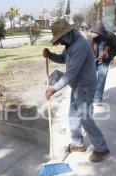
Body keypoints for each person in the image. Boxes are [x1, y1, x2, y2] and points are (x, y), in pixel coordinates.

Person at [43, 19, 110, 162]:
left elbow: (70, 73)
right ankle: (78, 143)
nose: (60, 42)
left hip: (85, 86)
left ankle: (101, 148)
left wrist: (53, 89)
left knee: (85, 118)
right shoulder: (70, 43)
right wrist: (51, 55)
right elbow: (64, 59)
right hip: (77, 85)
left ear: (67, 34)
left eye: (60, 39)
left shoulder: (79, 45)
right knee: (73, 114)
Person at [89, 22, 116, 105]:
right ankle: (91, 96)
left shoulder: (111, 36)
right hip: (93, 61)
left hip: (104, 62)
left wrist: (108, 55)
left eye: (97, 34)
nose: (95, 36)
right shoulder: (91, 37)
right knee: (92, 80)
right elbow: (87, 49)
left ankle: (98, 98)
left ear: (101, 33)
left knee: (101, 80)